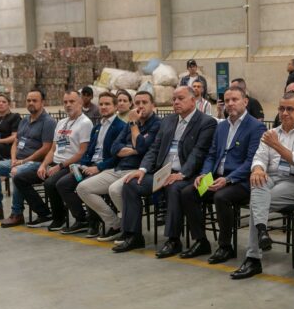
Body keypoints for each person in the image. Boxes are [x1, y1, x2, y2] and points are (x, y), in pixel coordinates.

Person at [114, 86, 216, 254]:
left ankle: (173, 240)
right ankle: (133, 235)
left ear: (193, 100)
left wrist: (181, 174)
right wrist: (142, 169)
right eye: (174, 99)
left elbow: (199, 153)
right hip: (162, 172)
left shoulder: (206, 122)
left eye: (180, 98)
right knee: (131, 184)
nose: (175, 102)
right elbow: (154, 148)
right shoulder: (168, 121)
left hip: (189, 174)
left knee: (173, 187)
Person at [230, 92, 294, 279]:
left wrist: (277, 146)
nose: (284, 113)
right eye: (281, 108)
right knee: (257, 182)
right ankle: (262, 232)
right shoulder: (271, 134)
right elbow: (259, 157)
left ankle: (253, 257)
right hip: (271, 178)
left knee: (258, 201)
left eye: (290, 109)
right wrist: (257, 169)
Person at [179, 86, 266, 263]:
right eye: (227, 101)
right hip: (216, 177)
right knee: (188, 193)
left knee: (221, 197)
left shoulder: (256, 127)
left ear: (245, 101)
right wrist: (204, 174)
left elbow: (251, 161)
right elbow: (211, 154)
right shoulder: (222, 126)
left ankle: (225, 246)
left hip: (239, 181)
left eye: (235, 99)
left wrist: (227, 179)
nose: (230, 104)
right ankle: (201, 241)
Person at [76, 91, 161, 242]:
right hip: (118, 169)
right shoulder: (128, 124)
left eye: (144, 102)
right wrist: (134, 149)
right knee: (83, 188)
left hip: (138, 170)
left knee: (114, 190)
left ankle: (130, 229)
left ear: (153, 105)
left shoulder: (156, 124)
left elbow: (143, 148)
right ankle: (115, 224)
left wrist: (134, 125)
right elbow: (114, 148)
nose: (140, 106)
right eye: (137, 103)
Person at [12, 90, 93, 231]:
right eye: (65, 102)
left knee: (50, 183)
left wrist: (60, 166)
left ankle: (64, 218)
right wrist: (43, 165)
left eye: (72, 101)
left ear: (80, 103)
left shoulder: (85, 123)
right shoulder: (61, 123)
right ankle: (45, 214)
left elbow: (82, 152)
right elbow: (52, 149)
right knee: (20, 178)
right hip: (55, 164)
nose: (68, 105)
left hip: (72, 165)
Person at [0, 89, 56, 226]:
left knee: (17, 172)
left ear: (43, 102)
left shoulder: (48, 122)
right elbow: (16, 142)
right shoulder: (24, 120)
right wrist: (13, 159)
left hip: (37, 162)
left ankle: (17, 213)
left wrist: (22, 162)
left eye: (34, 100)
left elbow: (46, 148)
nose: (31, 103)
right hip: (18, 160)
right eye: (28, 100)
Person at [55, 92, 125, 236]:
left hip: (105, 167)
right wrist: (81, 164)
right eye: (101, 104)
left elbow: (116, 157)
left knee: (86, 185)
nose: (103, 107)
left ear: (116, 106)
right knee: (63, 184)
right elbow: (89, 151)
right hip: (90, 165)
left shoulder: (120, 127)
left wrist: (98, 168)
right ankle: (82, 219)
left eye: (107, 104)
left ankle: (95, 222)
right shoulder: (97, 127)